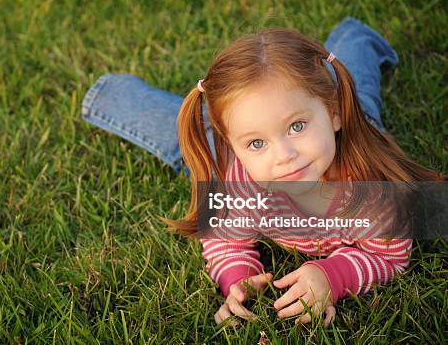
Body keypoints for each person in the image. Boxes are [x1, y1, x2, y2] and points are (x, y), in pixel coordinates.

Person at [80, 17, 444, 327]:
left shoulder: (371, 186)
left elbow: (389, 256)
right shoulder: (239, 177)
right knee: (180, 138)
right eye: (256, 143)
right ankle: (110, 92)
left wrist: (333, 275)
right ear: (233, 145)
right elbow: (225, 239)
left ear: (333, 113)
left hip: (356, 129)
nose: (284, 156)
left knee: (358, 89)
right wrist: (237, 279)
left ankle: (355, 35)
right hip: (233, 138)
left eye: (297, 126)